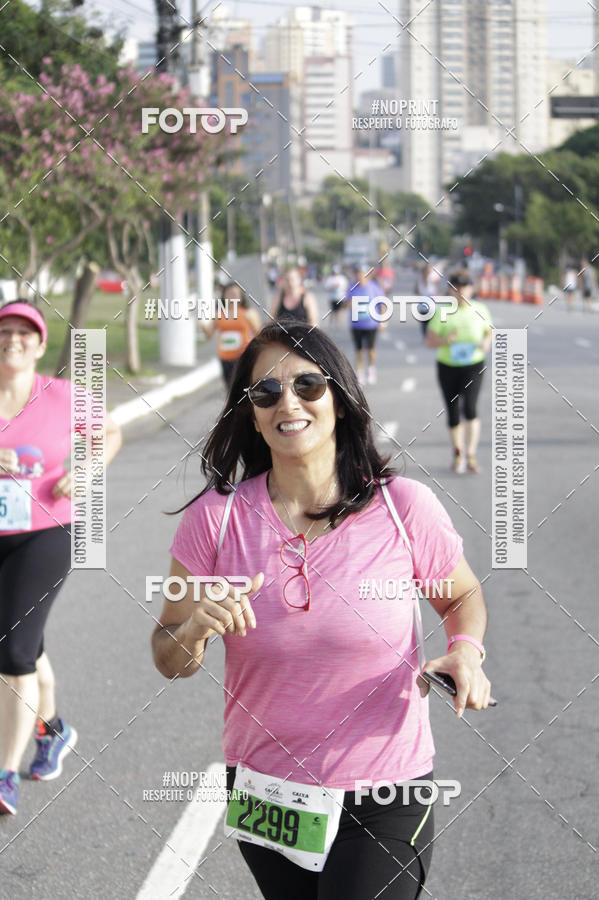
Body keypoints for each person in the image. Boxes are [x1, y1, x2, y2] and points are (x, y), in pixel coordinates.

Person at [152, 321, 492, 900]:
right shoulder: (218, 519)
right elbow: (167, 655)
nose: (288, 402)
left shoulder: (402, 507)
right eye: (266, 392)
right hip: (267, 793)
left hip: (385, 787)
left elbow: (460, 597)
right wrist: (195, 628)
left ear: (339, 395)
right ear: (251, 413)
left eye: (308, 385)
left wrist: (466, 652)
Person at [0, 301, 122, 815]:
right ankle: (53, 729)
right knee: (22, 639)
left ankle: (5, 774)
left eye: (24, 332)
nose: (13, 340)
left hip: (47, 532)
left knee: (11, 652)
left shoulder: (63, 395)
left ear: (40, 342)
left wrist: (88, 471)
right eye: (4, 331)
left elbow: (109, 433)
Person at [425, 270, 492, 474]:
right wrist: (446, 340)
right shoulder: (442, 312)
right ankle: (458, 453)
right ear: (450, 290)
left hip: (473, 365)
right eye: (456, 287)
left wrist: (486, 343)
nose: (461, 291)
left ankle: (471, 454)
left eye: (465, 287)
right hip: (448, 366)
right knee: (453, 410)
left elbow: (489, 331)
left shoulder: (480, 309)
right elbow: (429, 341)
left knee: (470, 408)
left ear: (471, 288)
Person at [202, 283, 261, 387]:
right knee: (230, 388)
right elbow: (209, 334)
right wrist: (203, 325)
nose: (232, 297)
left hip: (242, 357)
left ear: (240, 297)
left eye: (235, 294)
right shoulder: (219, 314)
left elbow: (259, 335)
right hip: (225, 358)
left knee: (243, 387)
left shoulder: (248, 313)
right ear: (224, 296)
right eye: (229, 294)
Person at [345, 263, 385, 385]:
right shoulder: (352, 287)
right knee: (358, 351)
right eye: (357, 273)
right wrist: (349, 303)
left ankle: (371, 369)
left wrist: (382, 321)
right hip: (356, 325)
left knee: (371, 350)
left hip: (371, 324)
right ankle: (360, 373)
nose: (359, 275)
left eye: (362, 273)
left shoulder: (374, 288)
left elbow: (382, 305)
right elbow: (345, 304)